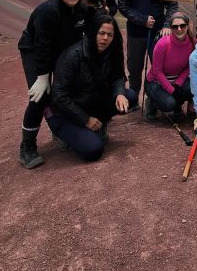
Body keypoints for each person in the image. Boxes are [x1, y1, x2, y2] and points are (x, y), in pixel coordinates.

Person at [16, 0, 93, 169]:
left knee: (67, 88)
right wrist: (42, 77)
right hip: (34, 50)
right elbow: (42, 46)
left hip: (62, 49)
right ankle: (27, 146)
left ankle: (60, 129)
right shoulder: (47, 11)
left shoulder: (81, 8)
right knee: (40, 96)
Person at [45, 15, 138, 162]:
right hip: (64, 113)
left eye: (110, 35)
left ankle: (97, 125)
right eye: (101, 33)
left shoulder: (111, 52)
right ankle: (61, 134)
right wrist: (85, 120)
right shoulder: (72, 55)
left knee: (130, 96)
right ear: (93, 32)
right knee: (93, 150)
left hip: (89, 102)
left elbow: (117, 77)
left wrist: (119, 94)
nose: (105, 38)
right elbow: (59, 96)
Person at [118, 0, 178, 107]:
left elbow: (172, 5)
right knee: (134, 67)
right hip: (136, 32)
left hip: (158, 33)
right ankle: (134, 98)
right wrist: (142, 19)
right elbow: (122, 6)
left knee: (159, 68)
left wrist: (166, 24)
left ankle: (153, 100)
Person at [144, 11, 195, 122]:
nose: (179, 29)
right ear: (171, 28)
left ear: (187, 26)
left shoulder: (191, 43)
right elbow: (157, 72)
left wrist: (177, 85)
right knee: (168, 104)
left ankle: (177, 104)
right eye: (175, 27)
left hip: (176, 80)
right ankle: (152, 102)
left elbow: (188, 67)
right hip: (155, 82)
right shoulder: (162, 44)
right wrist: (172, 90)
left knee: (193, 88)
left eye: (182, 26)